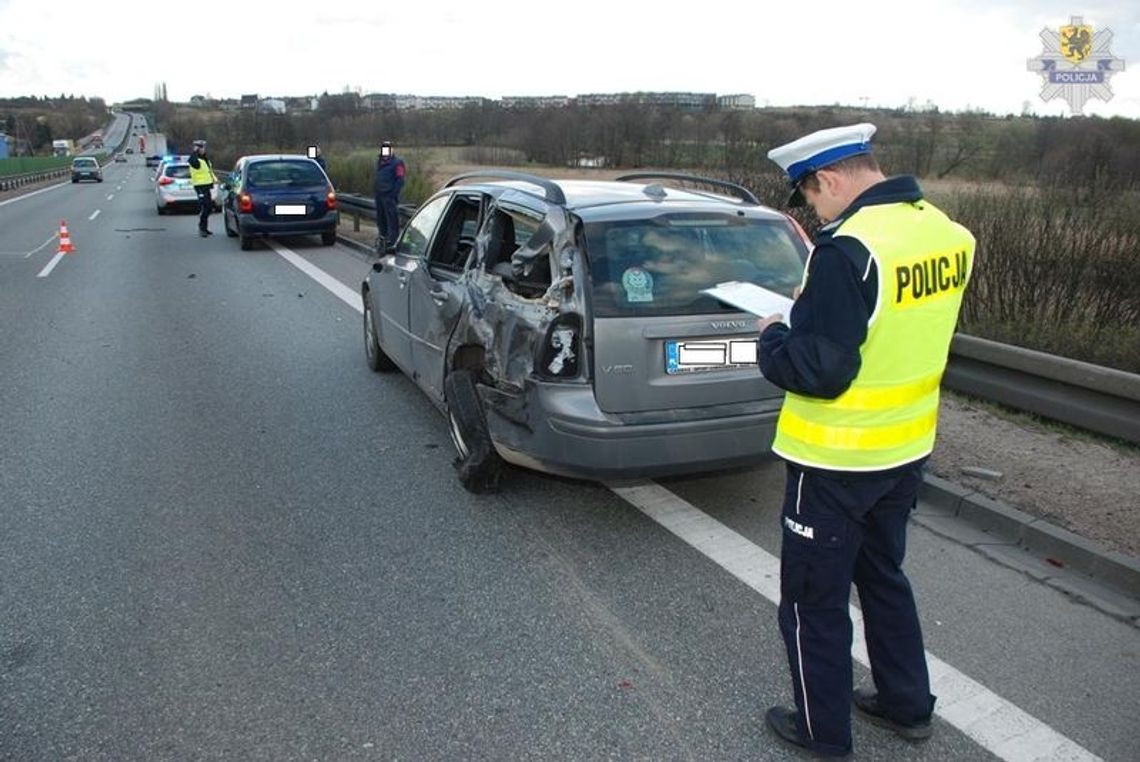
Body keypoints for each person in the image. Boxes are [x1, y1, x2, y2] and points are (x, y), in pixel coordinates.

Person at [757, 123, 975, 758]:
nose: (815, 213)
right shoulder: (946, 232)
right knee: (883, 576)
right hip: (906, 451)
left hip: (834, 460)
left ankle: (823, 735)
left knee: (811, 602)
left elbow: (817, 371)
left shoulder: (847, 250)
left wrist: (772, 336)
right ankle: (908, 705)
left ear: (827, 180)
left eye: (809, 198)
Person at [373, 140, 406, 253]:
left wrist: (392, 194)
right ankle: (382, 241)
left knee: (392, 221)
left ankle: (392, 243)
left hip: (389, 196)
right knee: (381, 220)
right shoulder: (380, 162)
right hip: (379, 195)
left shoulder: (397, 163)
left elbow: (400, 180)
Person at [187, 139, 218, 237]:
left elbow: (209, 171)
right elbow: (193, 161)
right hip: (200, 186)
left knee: (209, 207)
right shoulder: (194, 160)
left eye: (204, 147)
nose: (204, 149)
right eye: (202, 148)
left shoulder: (205, 159)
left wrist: (215, 179)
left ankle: (205, 228)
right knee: (204, 207)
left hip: (207, 185)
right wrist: (195, 151)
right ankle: (202, 228)